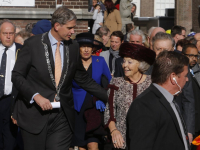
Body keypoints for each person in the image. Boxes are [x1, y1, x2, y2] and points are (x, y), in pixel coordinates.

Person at [11, 6, 108, 150]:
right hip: (34, 114)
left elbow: (83, 78)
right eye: (70, 28)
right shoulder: (33, 45)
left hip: (62, 116)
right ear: (57, 26)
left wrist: (109, 96)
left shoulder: (73, 47)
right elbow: (17, 75)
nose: (73, 31)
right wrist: (35, 96)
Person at [127, 50, 190, 150]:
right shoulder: (144, 105)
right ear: (173, 77)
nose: (187, 79)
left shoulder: (171, 98)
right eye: (185, 75)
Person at [104, 43, 156, 149]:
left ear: (140, 64)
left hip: (147, 140)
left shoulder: (152, 83)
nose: (124, 65)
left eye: (130, 62)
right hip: (121, 141)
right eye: (124, 61)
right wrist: (114, 131)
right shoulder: (116, 83)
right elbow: (109, 112)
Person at [71, 32, 112, 150]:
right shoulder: (72, 62)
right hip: (76, 108)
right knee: (81, 145)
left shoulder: (100, 61)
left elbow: (109, 83)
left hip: (95, 108)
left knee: (93, 144)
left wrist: (101, 99)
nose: (86, 50)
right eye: (83, 46)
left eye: (89, 46)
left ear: (93, 48)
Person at [0, 19, 22, 150]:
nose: (8, 36)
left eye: (11, 33)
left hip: (12, 101)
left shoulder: (22, 51)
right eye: (4, 33)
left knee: (10, 139)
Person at [181, 44, 200, 150]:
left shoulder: (198, 71)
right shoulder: (181, 72)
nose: (194, 59)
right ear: (183, 55)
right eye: (191, 56)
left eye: (196, 56)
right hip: (188, 121)